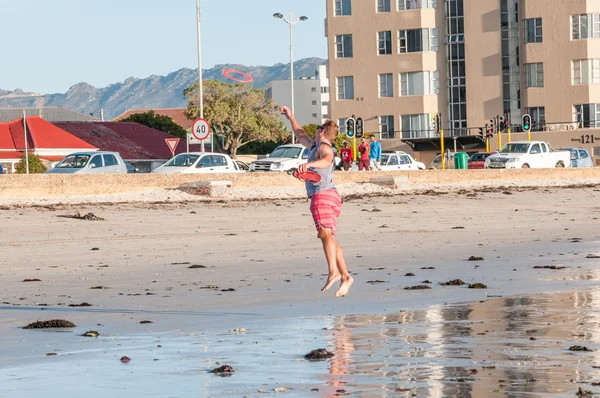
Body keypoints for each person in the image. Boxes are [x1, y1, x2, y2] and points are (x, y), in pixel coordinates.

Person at [280, 105, 353, 297]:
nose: (313, 132)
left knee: (325, 234)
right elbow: (300, 133)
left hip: (323, 195)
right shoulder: (314, 146)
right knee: (327, 235)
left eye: (318, 129)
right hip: (329, 196)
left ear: (322, 132)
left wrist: (309, 164)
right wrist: (291, 117)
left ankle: (334, 273)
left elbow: (328, 160)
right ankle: (345, 276)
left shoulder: (323, 147)